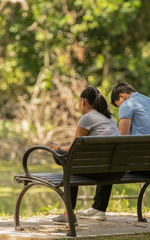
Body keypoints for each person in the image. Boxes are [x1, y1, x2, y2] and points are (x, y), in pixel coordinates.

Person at [76, 82, 150, 221]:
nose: (120, 108)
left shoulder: (128, 105)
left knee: (110, 158)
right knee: (111, 159)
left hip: (142, 165)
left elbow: (121, 141)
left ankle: (98, 208)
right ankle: (97, 208)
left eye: (118, 105)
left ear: (122, 96)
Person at [49, 86, 124, 224]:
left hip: (99, 171)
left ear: (83, 101)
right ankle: (99, 209)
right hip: (115, 171)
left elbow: (72, 150)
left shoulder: (87, 118)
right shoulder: (109, 118)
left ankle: (69, 214)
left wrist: (57, 148)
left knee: (63, 158)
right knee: (102, 160)